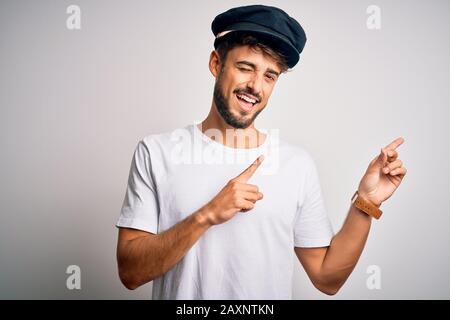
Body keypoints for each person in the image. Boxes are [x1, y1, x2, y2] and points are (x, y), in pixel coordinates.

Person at [115, 5, 407, 299]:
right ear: (216, 64)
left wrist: (366, 204)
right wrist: (208, 214)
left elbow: (327, 279)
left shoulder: (296, 164)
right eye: (245, 68)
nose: (255, 86)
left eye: (270, 76)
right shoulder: (156, 152)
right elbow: (130, 273)